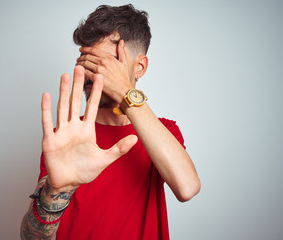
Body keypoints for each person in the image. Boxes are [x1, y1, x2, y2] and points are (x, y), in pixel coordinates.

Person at [21, 4, 200, 240]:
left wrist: (125, 91)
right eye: (85, 61)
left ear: (139, 67)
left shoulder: (164, 131)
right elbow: (31, 237)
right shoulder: (66, 137)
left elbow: (187, 188)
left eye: (103, 63)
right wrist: (55, 191)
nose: (89, 72)